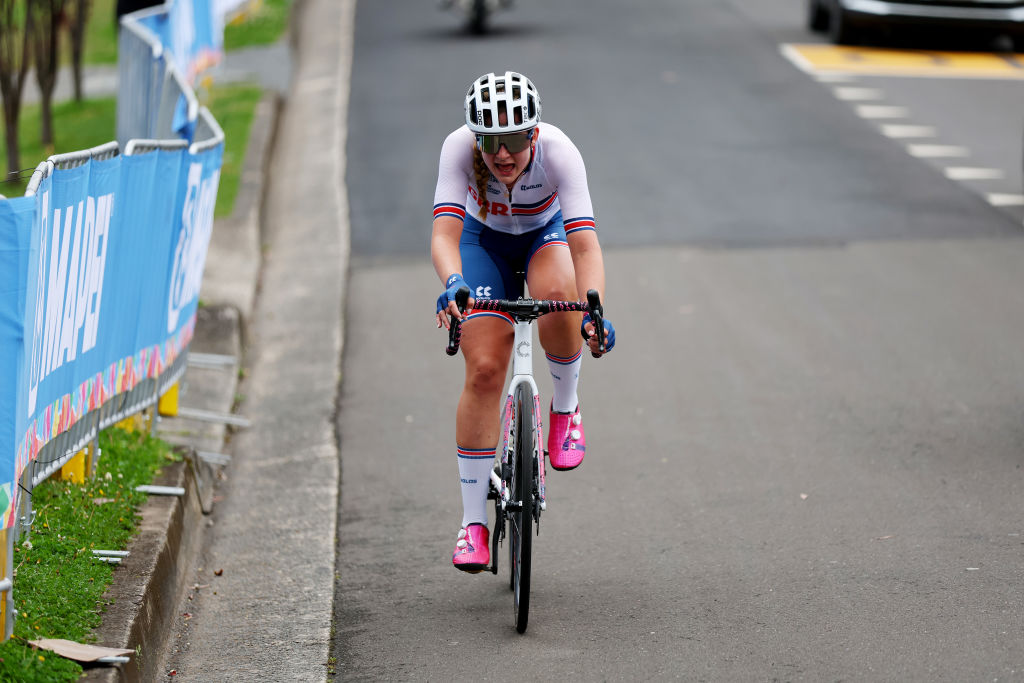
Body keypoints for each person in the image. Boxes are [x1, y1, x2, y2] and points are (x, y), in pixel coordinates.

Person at [432, 71, 616, 573]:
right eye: (490, 141)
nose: (503, 154)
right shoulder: (457, 149)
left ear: (533, 134)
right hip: (481, 244)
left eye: (514, 139)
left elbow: (584, 246)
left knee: (560, 294)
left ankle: (566, 407)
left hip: (544, 238)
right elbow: (446, 235)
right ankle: (473, 524)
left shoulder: (560, 151)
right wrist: (452, 282)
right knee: (486, 370)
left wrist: (594, 306)